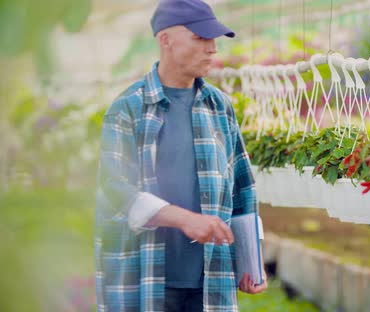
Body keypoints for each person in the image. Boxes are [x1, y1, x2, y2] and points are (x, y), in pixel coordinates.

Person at [94, 0, 267, 311]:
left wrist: (250, 260)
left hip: (211, 280)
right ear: (165, 40)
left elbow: (242, 187)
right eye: (201, 38)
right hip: (148, 277)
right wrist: (185, 220)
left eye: (214, 40)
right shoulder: (129, 109)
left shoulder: (219, 106)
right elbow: (115, 187)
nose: (212, 49)